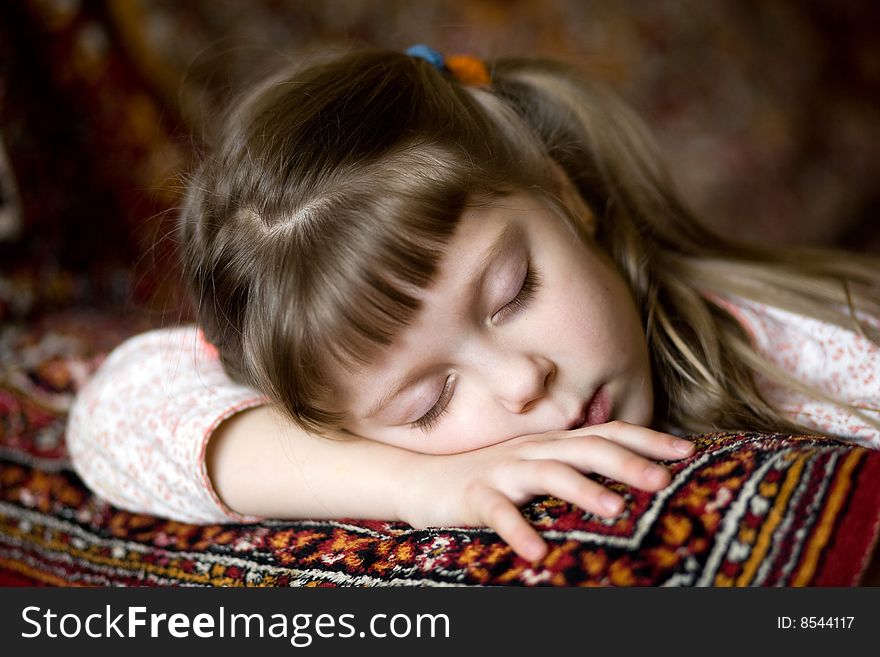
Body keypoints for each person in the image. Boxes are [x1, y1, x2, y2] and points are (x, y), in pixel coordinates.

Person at [66, 46, 880, 563]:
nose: (523, 379)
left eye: (513, 291)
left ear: (561, 195)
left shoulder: (812, 360)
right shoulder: (335, 397)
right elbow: (111, 412)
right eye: (429, 399)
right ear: (336, 422)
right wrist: (412, 486)